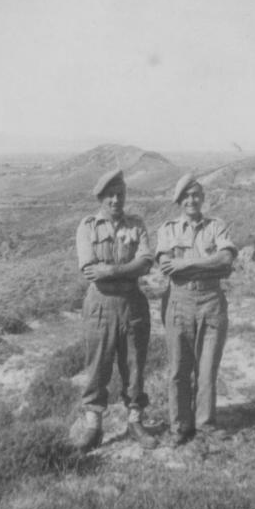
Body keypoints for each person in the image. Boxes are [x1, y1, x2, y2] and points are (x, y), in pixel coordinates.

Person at [73, 168, 157, 452]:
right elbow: (90, 271)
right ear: (101, 198)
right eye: (110, 195)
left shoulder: (136, 225)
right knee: (97, 366)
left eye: (120, 194)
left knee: (134, 365)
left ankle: (135, 421)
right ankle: (93, 426)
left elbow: (146, 261)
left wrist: (112, 269)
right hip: (100, 305)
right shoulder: (87, 227)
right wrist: (125, 270)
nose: (115, 200)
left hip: (132, 303)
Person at [156, 173, 238, 448]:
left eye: (196, 195)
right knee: (179, 369)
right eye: (186, 196)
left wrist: (186, 264)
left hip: (212, 301)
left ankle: (205, 424)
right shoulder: (168, 230)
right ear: (179, 201)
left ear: (202, 198)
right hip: (179, 301)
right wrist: (205, 262)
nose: (191, 200)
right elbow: (168, 267)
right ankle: (179, 426)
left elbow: (226, 260)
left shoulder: (217, 226)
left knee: (207, 368)